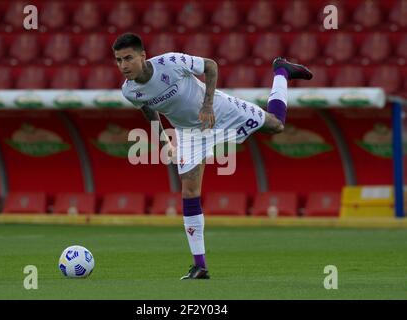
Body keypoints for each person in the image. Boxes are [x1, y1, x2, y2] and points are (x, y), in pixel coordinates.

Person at [113, 33, 312, 280]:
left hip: (218, 111)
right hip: (188, 134)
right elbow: (149, 110)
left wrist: (207, 105)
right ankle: (200, 266)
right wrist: (163, 140)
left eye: (128, 58)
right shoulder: (130, 91)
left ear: (142, 56)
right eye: (118, 60)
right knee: (188, 191)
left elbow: (210, 66)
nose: (123, 66)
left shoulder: (170, 62)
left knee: (276, 126)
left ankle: (282, 72)